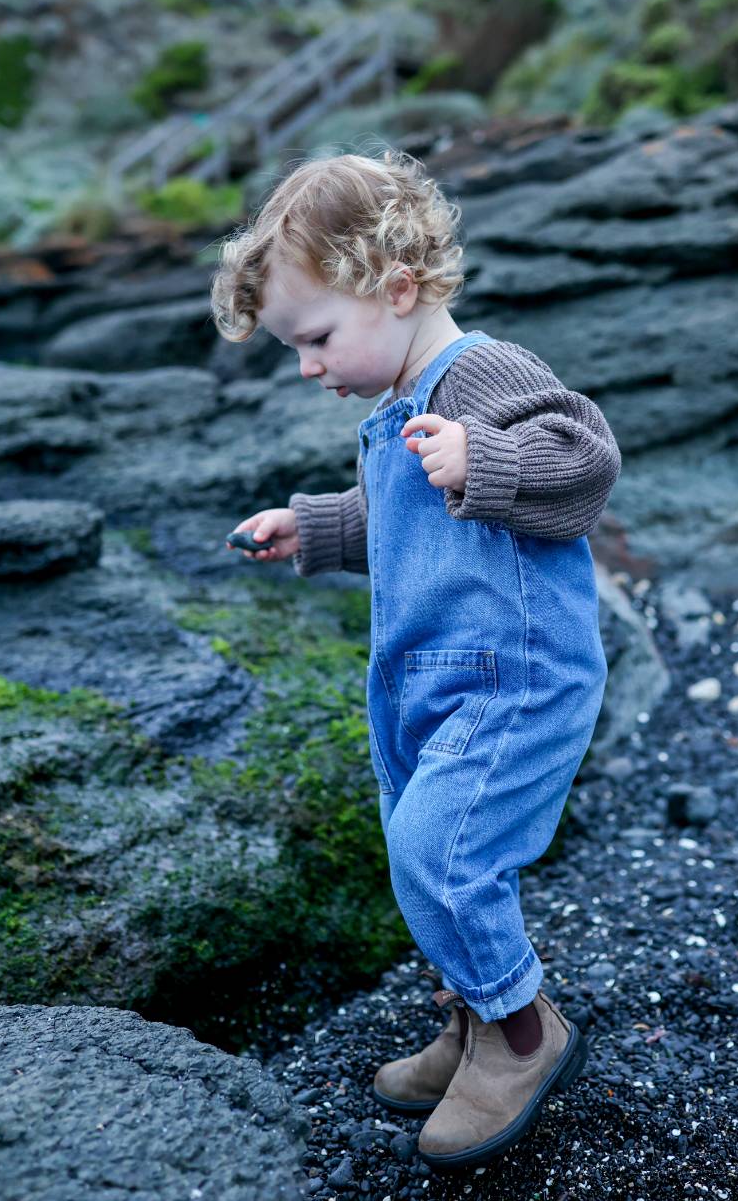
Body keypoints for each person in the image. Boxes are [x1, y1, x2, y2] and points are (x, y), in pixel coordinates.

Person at [209, 147, 621, 1171]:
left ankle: (525, 1037)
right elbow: (401, 521)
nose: (307, 366)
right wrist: (314, 529)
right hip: (425, 680)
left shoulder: (482, 371)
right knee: (421, 858)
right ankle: (469, 1021)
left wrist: (489, 459)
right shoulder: (390, 411)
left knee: (445, 852)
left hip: (514, 677)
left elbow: (585, 460)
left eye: (313, 338)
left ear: (395, 289)